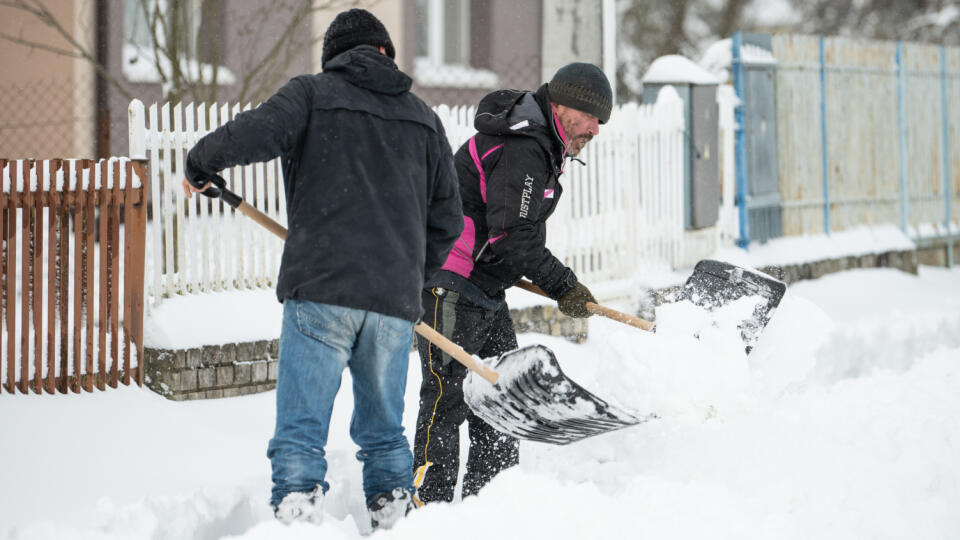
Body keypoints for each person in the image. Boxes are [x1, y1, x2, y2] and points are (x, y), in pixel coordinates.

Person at [181, 8, 462, 531]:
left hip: (323, 290)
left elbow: (254, 132)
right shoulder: (424, 118)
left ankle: (297, 515)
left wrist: (201, 161)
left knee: (301, 431)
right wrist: (410, 274)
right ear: (385, 53)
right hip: (391, 305)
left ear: (335, 56)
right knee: (383, 432)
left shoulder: (312, 94)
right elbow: (449, 219)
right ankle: (395, 518)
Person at [412, 62, 613, 505]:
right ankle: (429, 512)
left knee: (499, 396)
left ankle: (492, 508)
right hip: (453, 283)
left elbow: (509, 234)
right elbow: (512, 235)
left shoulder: (542, 145)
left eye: (601, 122)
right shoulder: (524, 147)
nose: (596, 131)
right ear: (560, 106)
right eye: (591, 118)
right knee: (446, 403)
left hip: (485, 287)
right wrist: (564, 286)